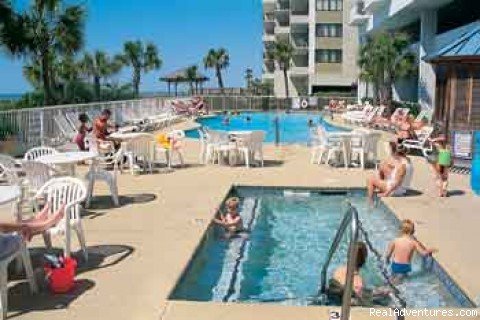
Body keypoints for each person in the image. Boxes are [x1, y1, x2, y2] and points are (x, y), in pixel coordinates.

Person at [328, 242, 390, 306]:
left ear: (348, 255)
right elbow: (357, 294)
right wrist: (378, 292)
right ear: (364, 259)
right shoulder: (358, 280)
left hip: (334, 292)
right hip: (345, 298)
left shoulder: (338, 270)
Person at [427, 126, 452, 197]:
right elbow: (443, 138)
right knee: (445, 177)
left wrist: (432, 140)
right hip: (445, 155)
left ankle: (440, 192)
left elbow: (440, 139)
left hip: (437, 156)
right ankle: (444, 189)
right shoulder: (446, 141)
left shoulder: (434, 140)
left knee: (437, 176)